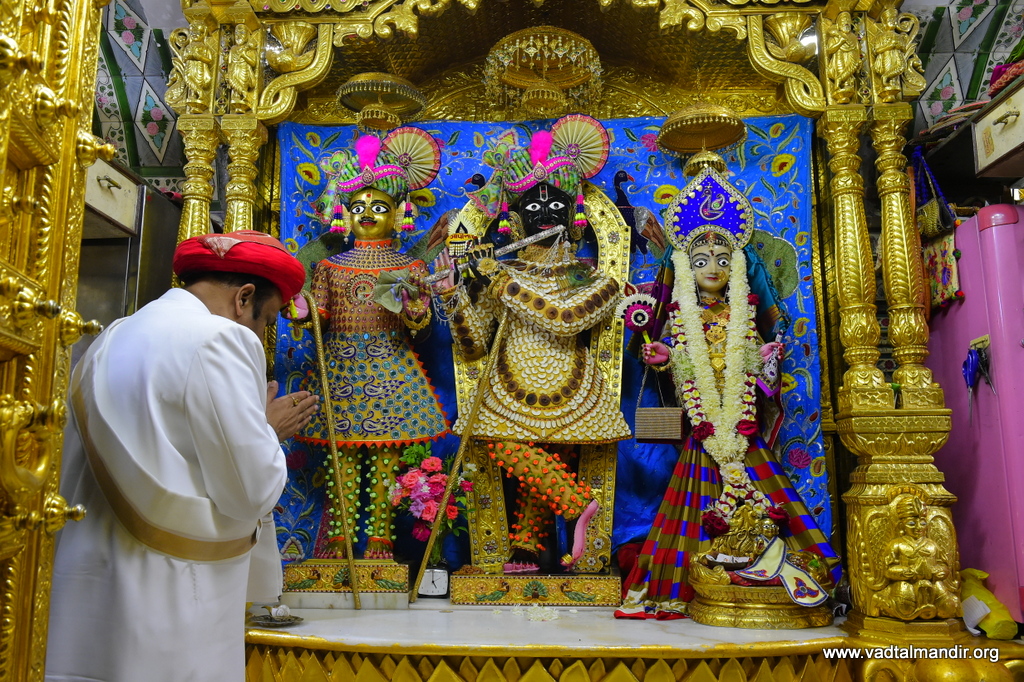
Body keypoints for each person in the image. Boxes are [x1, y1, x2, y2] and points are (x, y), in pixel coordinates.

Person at [45, 230, 318, 682]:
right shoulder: (221, 339)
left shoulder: (111, 336)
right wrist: (268, 430)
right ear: (243, 298)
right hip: (170, 589)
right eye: (267, 320)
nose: (261, 334)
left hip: (83, 583)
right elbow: (250, 492)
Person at [616, 167, 838, 619]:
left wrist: (765, 358)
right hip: (703, 428)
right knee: (691, 503)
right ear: (685, 270)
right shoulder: (682, 319)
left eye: (721, 259)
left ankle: (776, 576)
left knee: (766, 493)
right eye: (700, 262)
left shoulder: (744, 317)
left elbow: (756, 371)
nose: (712, 268)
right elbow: (681, 364)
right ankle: (693, 583)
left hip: (742, 426)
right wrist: (664, 354)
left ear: (736, 268)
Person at [439, 117, 631, 572]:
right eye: (533, 203)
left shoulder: (595, 280)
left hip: (571, 389)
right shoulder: (500, 272)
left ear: (574, 214)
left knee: (545, 464)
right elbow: (472, 345)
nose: (545, 211)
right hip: (507, 386)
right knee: (511, 452)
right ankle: (577, 503)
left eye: (557, 202)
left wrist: (501, 283)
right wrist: (453, 296)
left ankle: (526, 548)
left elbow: (565, 320)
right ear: (515, 218)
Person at [294, 130, 448, 560]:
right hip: (341, 367)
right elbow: (320, 315)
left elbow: (420, 327)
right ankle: (338, 539)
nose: (367, 214)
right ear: (344, 213)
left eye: (379, 207)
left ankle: (380, 539)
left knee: (385, 461)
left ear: (398, 214)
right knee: (340, 459)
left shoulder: (410, 265)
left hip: (391, 365)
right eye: (358, 207)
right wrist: (302, 311)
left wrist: (415, 307)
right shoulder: (329, 266)